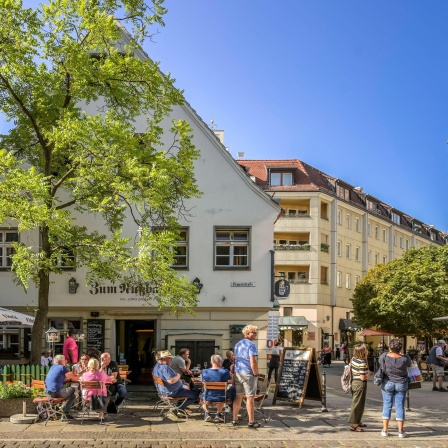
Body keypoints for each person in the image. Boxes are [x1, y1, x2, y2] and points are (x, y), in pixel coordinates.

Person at [379, 338, 412, 438]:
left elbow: (381, 365)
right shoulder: (405, 358)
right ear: (400, 348)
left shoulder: (384, 356)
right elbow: (410, 365)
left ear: (390, 347)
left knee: (387, 405)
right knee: (400, 406)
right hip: (401, 384)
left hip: (388, 383)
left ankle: (385, 430)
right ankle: (401, 431)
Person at [152, 350, 199, 417]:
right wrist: (178, 375)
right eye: (170, 358)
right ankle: (178, 409)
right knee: (196, 395)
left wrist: (179, 380)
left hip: (164, 391)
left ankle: (180, 409)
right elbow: (171, 381)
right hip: (172, 392)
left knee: (186, 388)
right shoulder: (165, 367)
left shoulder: (156, 366)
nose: (172, 360)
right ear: (164, 358)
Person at [232, 324, 260, 428]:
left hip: (238, 372)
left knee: (238, 396)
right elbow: (253, 361)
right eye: (254, 332)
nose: (255, 334)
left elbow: (235, 359)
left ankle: (235, 419)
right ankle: (251, 421)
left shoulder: (238, 344)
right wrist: (255, 373)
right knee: (250, 398)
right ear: (247, 334)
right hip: (248, 373)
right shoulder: (251, 345)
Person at [44, 354, 79, 420]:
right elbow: (75, 377)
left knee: (72, 396)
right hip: (56, 393)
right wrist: (84, 371)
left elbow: (56, 378)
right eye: (64, 360)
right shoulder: (62, 368)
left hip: (48, 393)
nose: (66, 361)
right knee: (72, 389)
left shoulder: (52, 367)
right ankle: (64, 411)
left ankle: (66, 412)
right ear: (61, 361)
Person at [201, 354, 234, 422]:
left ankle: (207, 413)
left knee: (201, 397)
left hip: (208, 396)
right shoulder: (225, 372)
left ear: (211, 362)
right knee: (223, 392)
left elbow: (203, 382)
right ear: (220, 362)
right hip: (221, 397)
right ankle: (218, 413)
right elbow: (231, 381)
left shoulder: (205, 371)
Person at [348, 343, 371, 432]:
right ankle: (354, 425)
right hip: (360, 383)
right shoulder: (362, 362)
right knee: (358, 404)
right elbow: (362, 377)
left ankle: (358, 421)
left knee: (357, 403)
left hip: (354, 382)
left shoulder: (353, 359)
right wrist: (368, 374)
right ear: (363, 352)